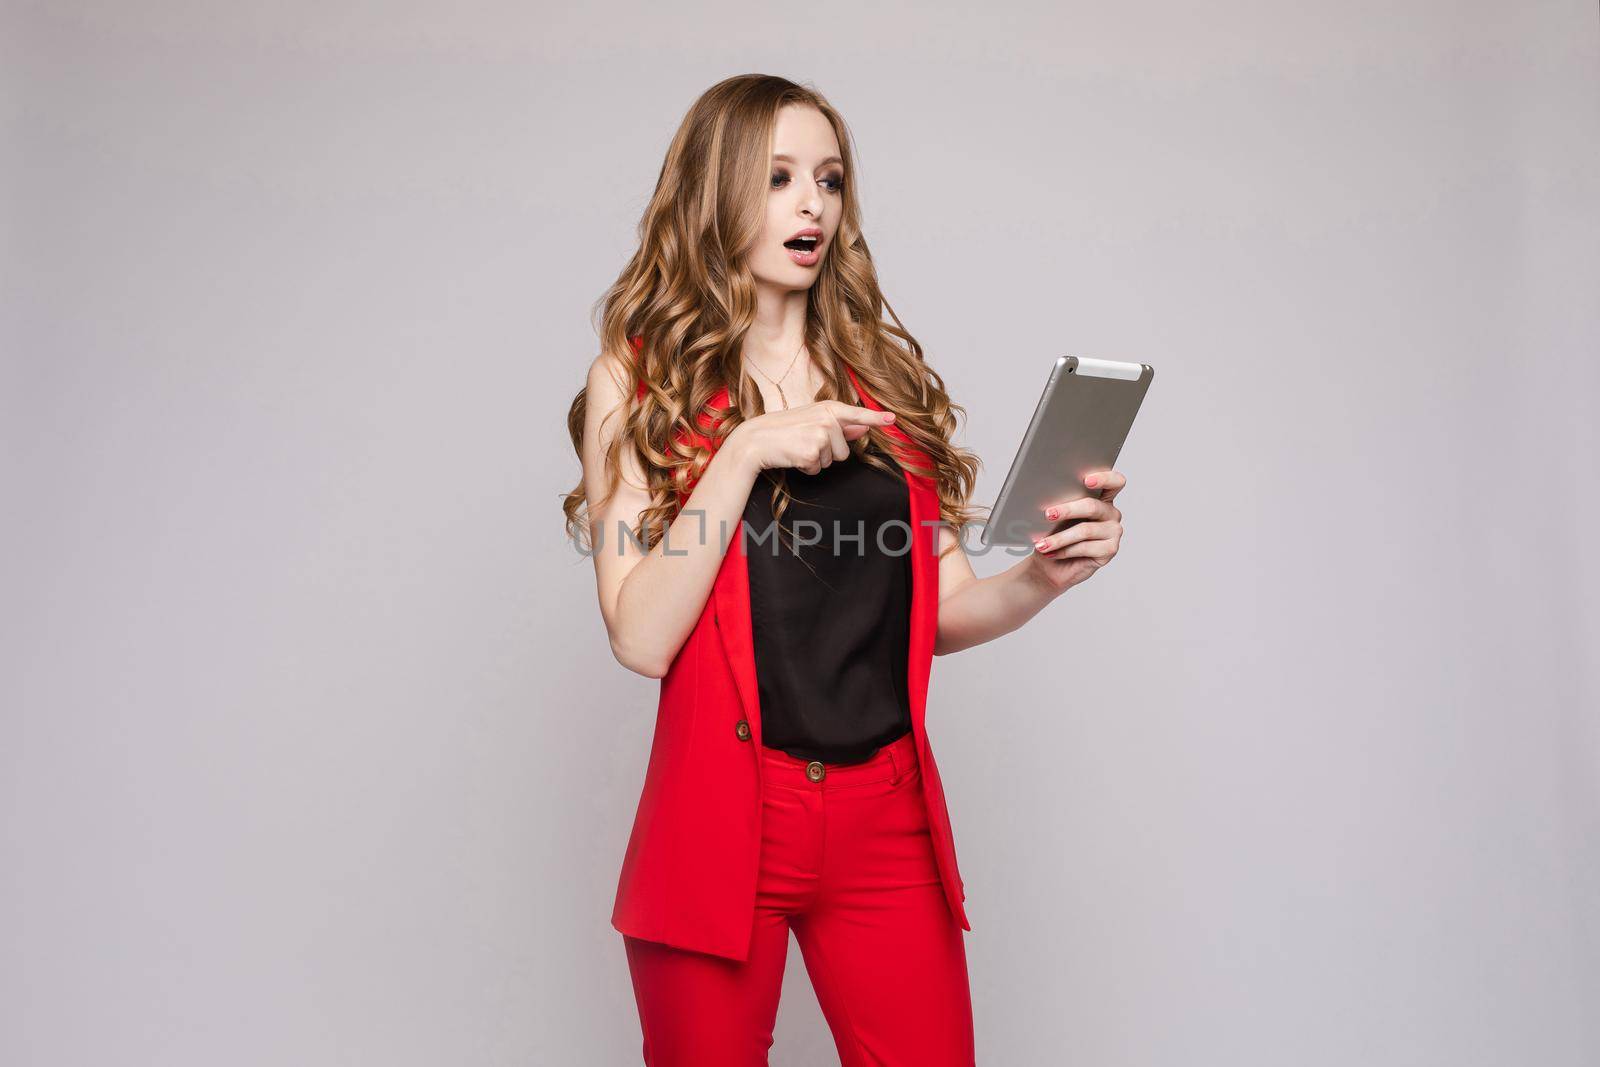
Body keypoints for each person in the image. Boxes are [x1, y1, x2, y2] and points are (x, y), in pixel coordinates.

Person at [562, 74, 1128, 1067]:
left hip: (883, 817)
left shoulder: (881, 379)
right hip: (726, 822)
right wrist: (743, 451)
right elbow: (639, 636)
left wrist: (1043, 577)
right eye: (778, 178)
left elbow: (941, 602)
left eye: (828, 178)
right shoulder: (637, 378)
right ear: (714, 192)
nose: (812, 203)